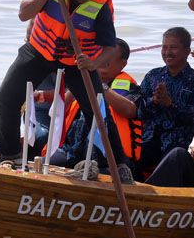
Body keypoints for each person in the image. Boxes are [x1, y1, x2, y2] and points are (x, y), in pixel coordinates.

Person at [0, 0, 131, 179]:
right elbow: (24, 14)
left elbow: (109, 47)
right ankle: (8, 154)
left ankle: (118, 164)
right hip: (40, 50)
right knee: (6, 98)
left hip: (77, 60)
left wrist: (93, 63)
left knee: (97, 109)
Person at [44, 39, 142, 174]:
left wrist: (99, 86)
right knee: (46, 163)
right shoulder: (83, 79)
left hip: (106, 157)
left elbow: (130, 110)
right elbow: (56, 109)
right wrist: (77, 85)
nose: (103, 63)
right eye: (101, 56)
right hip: (72, 151)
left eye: (108, 60)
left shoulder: (130, 87)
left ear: (122, 64)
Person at [136, 27, 194, 174]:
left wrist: (170, 104)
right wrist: (155, 100)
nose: (167, 52)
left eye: (173, 47)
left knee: (173, 159)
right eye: (164, 47)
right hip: (149, 139)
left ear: (187, 51)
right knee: (127, 157)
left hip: (179, 142)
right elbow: (139, 111)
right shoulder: (153, 75)